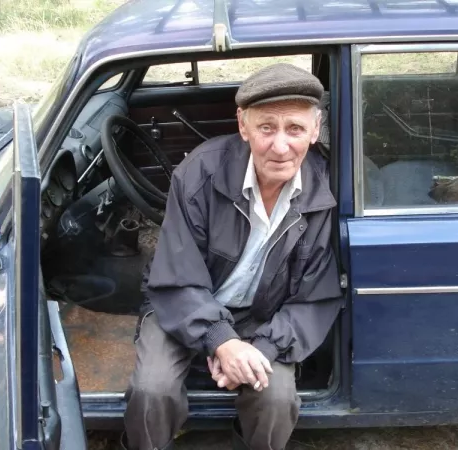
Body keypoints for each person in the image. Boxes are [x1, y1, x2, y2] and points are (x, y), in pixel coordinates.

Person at [123, 63, 344, 450]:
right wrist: (221, 340)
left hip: (264, 317)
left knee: (276, 399)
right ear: (243, 125)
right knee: (151, 392)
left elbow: (313, 299)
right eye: (266, 128)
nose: (280, 146)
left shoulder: (323, 192)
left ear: (315, 129)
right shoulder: (199, 172)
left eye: (294, 128)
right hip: (183, 305)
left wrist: (262, 349)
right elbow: (176, 277)